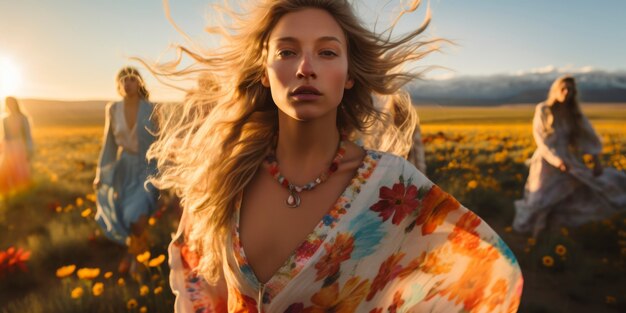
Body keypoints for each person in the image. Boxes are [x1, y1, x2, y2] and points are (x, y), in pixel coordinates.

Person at [148, 1, 523, 312]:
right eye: (287, 51)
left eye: (327, 52)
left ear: (348, 75)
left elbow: (487, 278)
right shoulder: (225, 177)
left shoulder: (392, 188)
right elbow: (199, 287)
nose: (305, 68)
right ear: (264, 71)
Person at [514, 76, 626, 236]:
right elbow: (541, 140)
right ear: (556, 91)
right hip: (546, 161)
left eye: (570, 90)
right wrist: (556, 160)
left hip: (569, 159)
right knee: (541, 197)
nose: (566, 92)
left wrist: (596, 160)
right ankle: (536, 232)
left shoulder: (574, 113)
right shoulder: (543, 109)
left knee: (576, 191)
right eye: (563, 89)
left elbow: (587, 136)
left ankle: (557, 230)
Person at [93, 67, 159, 274]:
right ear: (119, 84)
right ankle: (135, 253)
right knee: (127, 217)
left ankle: (138, 262)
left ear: (139, 82)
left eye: (132, 79)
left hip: (147, 167)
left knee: (137, 216)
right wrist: (100, 174)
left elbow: (160, 141)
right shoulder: (112, 109)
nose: (128, 83)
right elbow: (109, 144)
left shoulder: (152, 108)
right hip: (124, 169)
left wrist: (164, 173)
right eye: (123, 80)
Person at [0, 96, 34, 196]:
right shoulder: (5, 119)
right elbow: (5, 136)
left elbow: (27, 135)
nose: (10, 105)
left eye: (11, 103)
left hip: (20, 148)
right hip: (8, 148)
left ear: (16, 104)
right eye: (8, 103)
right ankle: (6, 193)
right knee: (6, 169)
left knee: (20, 170)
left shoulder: (23, 118)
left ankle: (22, 193)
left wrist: (29, 149)